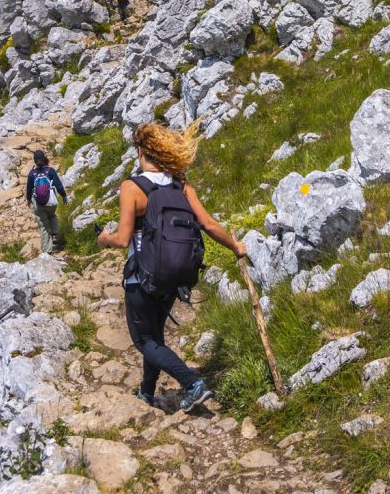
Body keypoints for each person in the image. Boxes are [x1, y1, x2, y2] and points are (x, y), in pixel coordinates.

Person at [97, 121, 247, 412]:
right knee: (155, 336)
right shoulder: (181, 184)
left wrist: (105, 238)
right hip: (172, 276)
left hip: (142, 276)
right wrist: (235, 246)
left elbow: (123, 238)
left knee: (144, 339)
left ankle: (192, 384)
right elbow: (208, 224)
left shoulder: (132, 187)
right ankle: (146, 391)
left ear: (142, 151)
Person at [26, 150, 68, 254]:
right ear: (44, 158)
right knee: (52, 216)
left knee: (43, 226)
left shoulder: (32, 173)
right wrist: (64, 196)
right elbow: (58, 185)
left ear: (34, 161)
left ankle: (46, 251)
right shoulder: (50, 171)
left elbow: (29, 188)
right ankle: (56, 238)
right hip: (51, 201)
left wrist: (28, 199)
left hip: (38, 203)